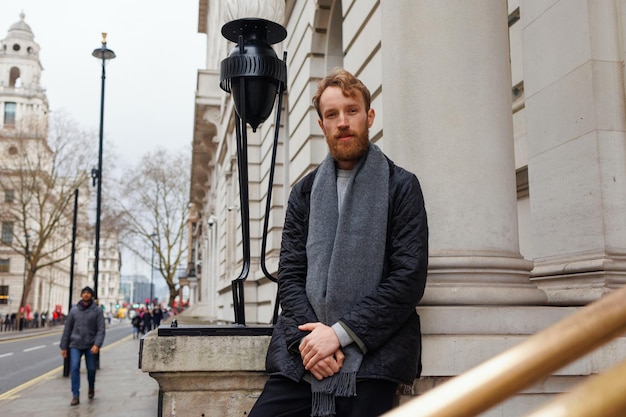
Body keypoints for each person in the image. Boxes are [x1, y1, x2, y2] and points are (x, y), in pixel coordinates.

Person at [248, 68, 429, 417]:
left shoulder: (401, 186)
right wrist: (309, 343)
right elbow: (289, 274)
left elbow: (408, 278)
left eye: (351, 111)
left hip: (373, 357)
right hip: (304, 353)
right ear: (322, 124)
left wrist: (340, 334)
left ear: (369, 116)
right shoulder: (303, 192)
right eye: (332, 114)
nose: (343, 122)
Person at [60, 286, 106, 406]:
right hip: (74, 344)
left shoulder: (97, 311)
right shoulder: (74, 310)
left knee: (91, 369)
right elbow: (67, 329)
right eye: (84, 293)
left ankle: (91, 387)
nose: (86, 295)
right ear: (81, 295)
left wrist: (97, 344)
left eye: (88, 293)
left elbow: (101, 330)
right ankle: (75, 395)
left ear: (92, 295)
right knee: (74, 368)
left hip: (90, 345)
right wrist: (64, 347)